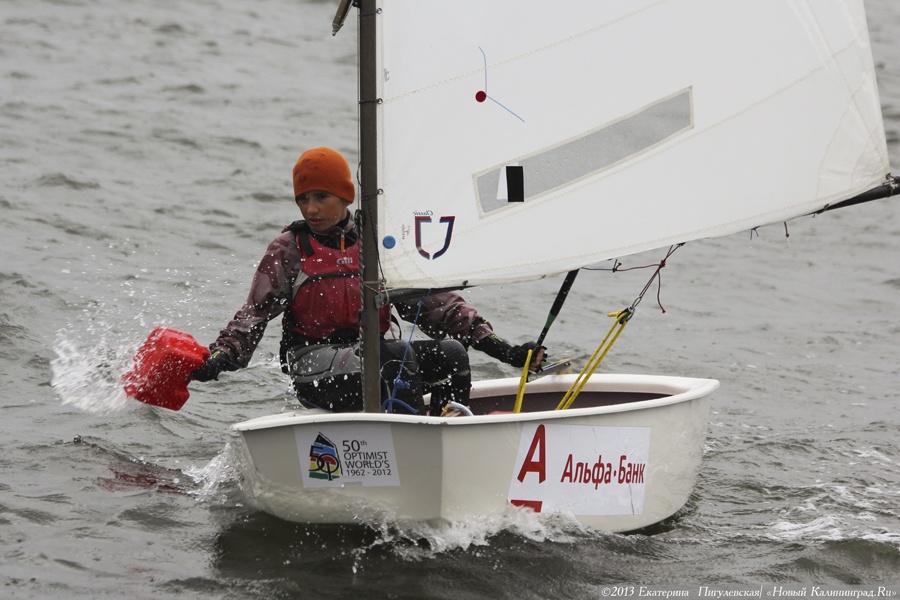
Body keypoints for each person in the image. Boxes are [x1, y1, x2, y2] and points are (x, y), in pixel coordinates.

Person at [191, 146, 545, 415]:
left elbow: (437, 304)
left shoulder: (376, 242)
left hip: (378, 356)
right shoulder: (290, 249)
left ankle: (445, 431)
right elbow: (251, 316)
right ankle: (412, 444)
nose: (310, 209)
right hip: (313, 366)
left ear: (345, 196)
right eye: (302, 199)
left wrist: (502, 348)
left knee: (450, 355)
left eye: (320, 197)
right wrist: (220, 358)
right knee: (395, 357)